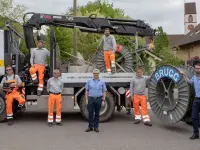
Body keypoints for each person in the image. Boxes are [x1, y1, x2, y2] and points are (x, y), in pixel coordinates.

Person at [181, 62, 200, 140]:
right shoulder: (194, 77)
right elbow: (189, 82)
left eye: (198, 68)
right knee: (194, 117)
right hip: (196, 99)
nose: (197, 69)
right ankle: (196, 134)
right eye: (196, 68)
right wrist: (184, 75)